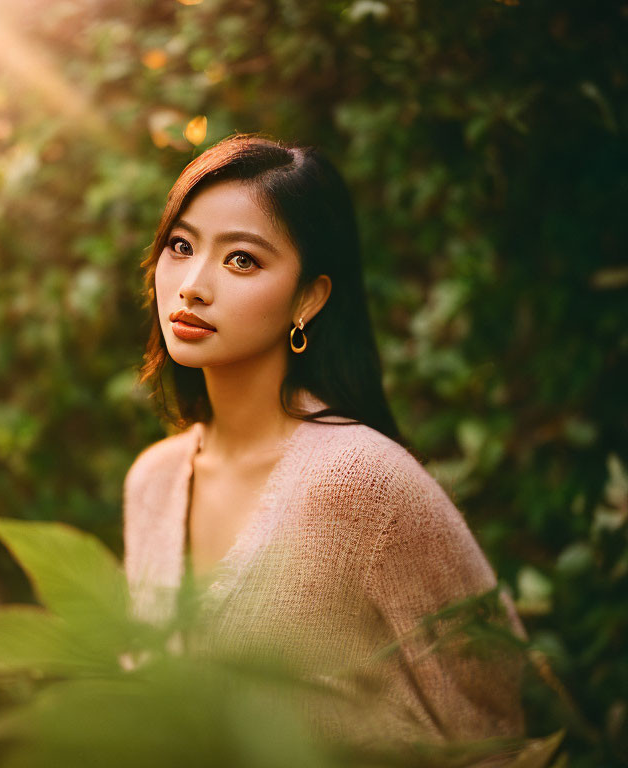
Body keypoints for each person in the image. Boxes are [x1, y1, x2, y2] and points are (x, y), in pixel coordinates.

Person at [122, 132, 528, 760]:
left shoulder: (363, 482)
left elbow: (493, 708)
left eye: (242, 261)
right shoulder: (152, 482)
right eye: (181, 246)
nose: (192, 286)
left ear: (308, 298)